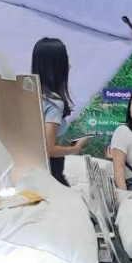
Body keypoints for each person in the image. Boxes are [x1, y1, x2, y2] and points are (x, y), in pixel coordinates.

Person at [31, 37, 89, 184]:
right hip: (51, 173)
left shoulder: (29, 95)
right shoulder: (54, 103)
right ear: (57, 66)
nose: (69, 65)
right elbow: (49, 149)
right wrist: (75, 149)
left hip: (28, 169)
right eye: (66, 60)